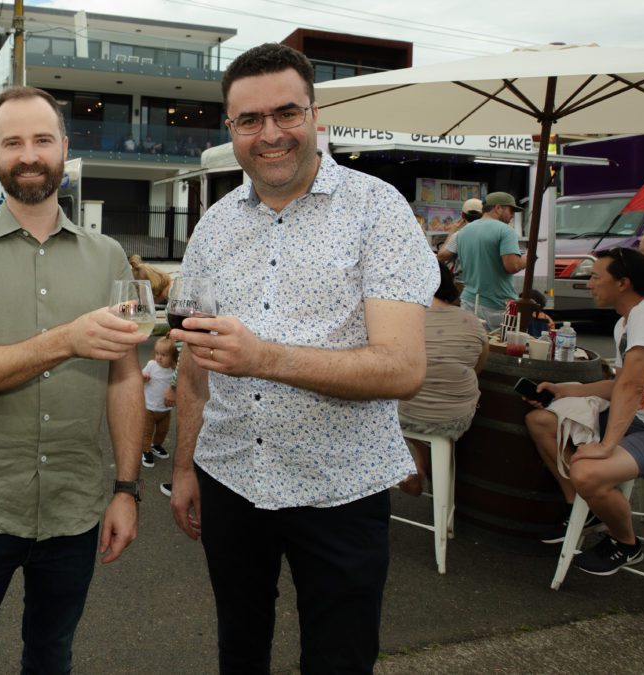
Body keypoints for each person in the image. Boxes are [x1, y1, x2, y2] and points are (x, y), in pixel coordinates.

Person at [168, 44, 439, 672]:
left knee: (339, 658)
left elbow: (402, 368)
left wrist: (264, 357)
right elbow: (193, 367)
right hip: (231, 477)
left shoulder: (378, 210)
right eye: (249, 121)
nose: (270, 135)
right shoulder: (212, 227)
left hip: (340, 487)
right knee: (239, 647)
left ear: (317, 114)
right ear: (230, 129)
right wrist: (184, 469)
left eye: (287, 113)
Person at [0, 86, 146, 674]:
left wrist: (126, 488)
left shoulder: (108, 257)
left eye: (41, 140)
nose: (28, 154)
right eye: (12, 142)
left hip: (75, 510)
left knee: (51, 658)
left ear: (63, 149)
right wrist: (67, 340)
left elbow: (125, 379)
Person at [525, 248, 644, 575]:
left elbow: (631, 387)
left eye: (596, 277)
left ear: (623, 283)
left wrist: (607, 444)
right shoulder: (628, 321)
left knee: (588, 471)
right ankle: (584, 508)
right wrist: (568, 390)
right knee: (542, 420)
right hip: (643, 421)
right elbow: (620, 384)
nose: (589, 284)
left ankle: (626, 543)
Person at [397, 262, 489, 496]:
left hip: (407, 415)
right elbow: (477, 368)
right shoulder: (473, 323)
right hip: (454, 419)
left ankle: (414, 462)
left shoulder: (403, 321)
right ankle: (426, 462)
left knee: (392, 404)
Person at [454, 192, 529, 329]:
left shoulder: (463, 232)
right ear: (498, 208)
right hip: (496, 304)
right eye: (511, 210)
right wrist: (529, 258)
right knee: (498, 348)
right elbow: (512, 266)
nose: (512, 215)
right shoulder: (506, 231)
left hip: (468, 300)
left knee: (472, 346)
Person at [141, 336, 178, 468]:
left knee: (163, 431)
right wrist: (144, 377)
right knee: (147, 431)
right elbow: (141, 375)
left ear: (174, 357)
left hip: (165, 410)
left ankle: (156, 446)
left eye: (164, 355)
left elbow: (177, 386)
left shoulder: (174, 371)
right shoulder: (152, 365)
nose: (159, 357)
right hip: (149, 408)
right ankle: (145, 450)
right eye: (157, 353)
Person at [436, 197, 484, 273]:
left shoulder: (460, 235)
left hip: (464, 281)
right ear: (483, 215)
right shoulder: (493, 232)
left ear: (462, 215)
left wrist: (452, 232)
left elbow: (441, 257)